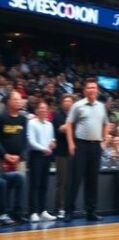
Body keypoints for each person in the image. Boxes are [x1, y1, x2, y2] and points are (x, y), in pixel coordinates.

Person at [65, 79, 109, 222]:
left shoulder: (101, 107)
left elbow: (106, 124)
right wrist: (71, 143)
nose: (92, 89)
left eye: (94, 87)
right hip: (81, 145)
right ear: (85, 91)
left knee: (92, 180)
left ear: (97, 90)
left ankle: (91, 211)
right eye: (89, 87)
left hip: (96, 146)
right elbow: (69, 124)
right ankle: (68, 211)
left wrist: (104, 140)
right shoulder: (77, 105)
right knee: (75, 180)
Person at [26, 100, 57, 223]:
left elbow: (52, 138)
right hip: (36, 155)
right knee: (35, 184)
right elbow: (31, 141)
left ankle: (42, 211)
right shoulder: (32, 123)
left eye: (45, 108)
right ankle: (33, 212)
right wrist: (44, 148)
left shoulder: (49, 124)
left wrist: (53, 143)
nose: (44, 110)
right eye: (41, 108)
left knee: (44, 184)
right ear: (37, 110)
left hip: (47, 156)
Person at [0, 90, 27, 222]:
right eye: (15, 99)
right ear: (9, 102)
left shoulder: (23, 119)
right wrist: (5, 155)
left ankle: (17, 212)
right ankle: (4, 213)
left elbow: (25, 140)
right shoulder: (2, 118)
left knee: (20, 182)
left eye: (20, 99)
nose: (18, 101)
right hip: (4, 160)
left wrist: (20, 156)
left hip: (19, 160)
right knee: (4, 185)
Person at [52, 94, 73, 218]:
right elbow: (62, 129)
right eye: (66, 101)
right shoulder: (58, 115)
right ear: (62, 103)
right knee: (61, 182)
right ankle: (58, 208)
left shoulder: (73, 116)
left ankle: (67, 207)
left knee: (69, 182)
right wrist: (73, 126)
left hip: (71, 153)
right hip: (61, 153)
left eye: (70, 101)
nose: (68, 103)